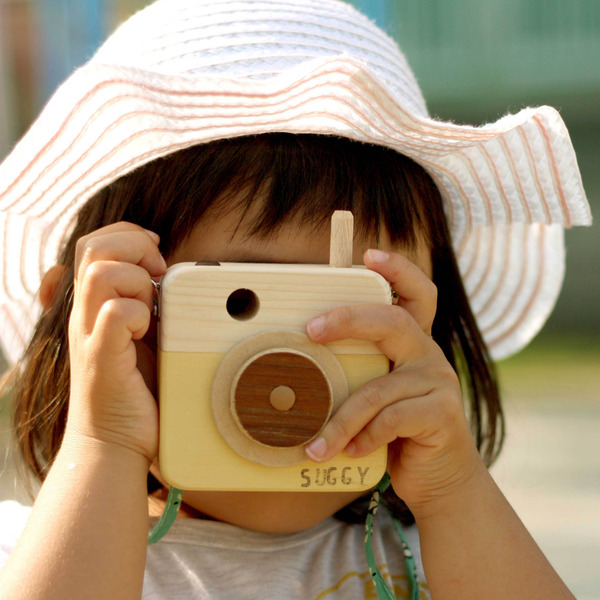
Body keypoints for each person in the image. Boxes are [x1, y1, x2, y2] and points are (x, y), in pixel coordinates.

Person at [0, 0, 592, 598]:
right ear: (79, 323)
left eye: (364, 303)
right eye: (241, 301)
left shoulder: (449, 555)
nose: (296, 366)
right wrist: (104, 443)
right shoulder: (38, 556)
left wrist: (452, 489)